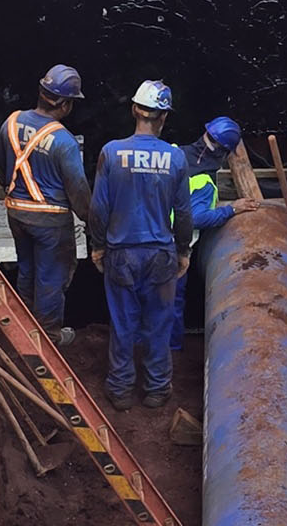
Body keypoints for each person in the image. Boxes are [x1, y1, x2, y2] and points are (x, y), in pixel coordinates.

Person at [89, 80, 191, 411]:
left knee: (123, 323)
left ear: (134, 109)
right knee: (158, 324)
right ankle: (157, 389)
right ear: (164, 117)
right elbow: (184, 213)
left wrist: (99, 245)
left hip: (121, 253)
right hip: (160, 254)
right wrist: (183, 250)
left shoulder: (111, 152)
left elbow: (98, 208)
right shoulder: (176, 159)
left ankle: (120, 390)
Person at [0, 65, 91, 347]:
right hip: (51, 220)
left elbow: (1, 172)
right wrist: (90, 220)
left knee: (27, 269)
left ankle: (23, 330)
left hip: (17, 211)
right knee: (51, 278)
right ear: (66, 104)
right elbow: (79, 192)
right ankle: (48, 336)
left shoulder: (10, 123)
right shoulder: (64, 142)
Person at [168, 116, 259, 350]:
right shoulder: (204, 182)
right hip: (170, 247)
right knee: (171, 304)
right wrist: (231, 209)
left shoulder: (172, 153)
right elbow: (195, 218)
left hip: (140, 237)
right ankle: (172, 353)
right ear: (225, 153)